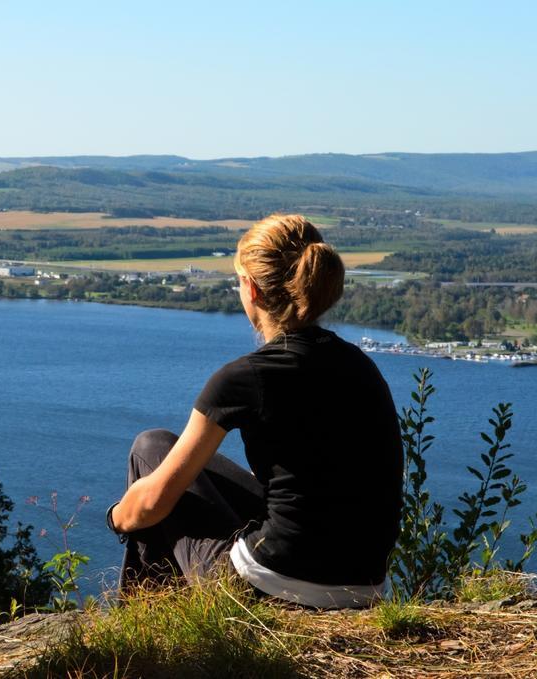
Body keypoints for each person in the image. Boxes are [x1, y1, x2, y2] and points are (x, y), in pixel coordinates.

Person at [106, 214, 403, 609]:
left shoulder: (244, 378)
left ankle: (144, 633)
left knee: (150, 447)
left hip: (274, 588)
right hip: (364, 587)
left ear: (252, 290)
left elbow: (152, 503)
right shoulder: (361, 366)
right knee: (193, 471)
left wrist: (115, 518)